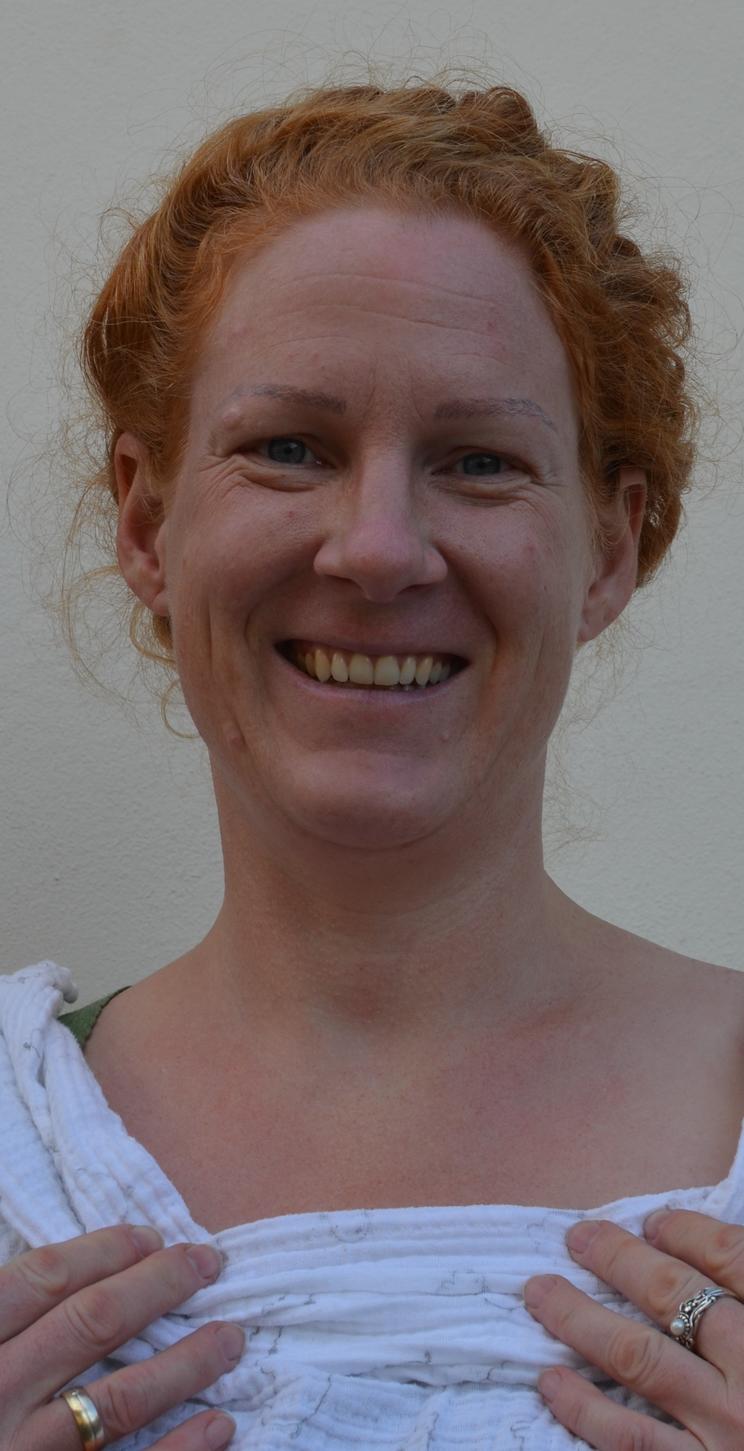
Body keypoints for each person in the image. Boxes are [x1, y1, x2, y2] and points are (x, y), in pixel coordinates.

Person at [1, 72, 742, 1451]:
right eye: (289, 449)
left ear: (612, 547)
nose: (381, 548)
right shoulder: (16, 1141)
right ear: (148, 526)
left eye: (480, 461)